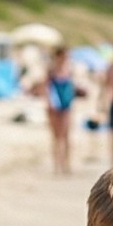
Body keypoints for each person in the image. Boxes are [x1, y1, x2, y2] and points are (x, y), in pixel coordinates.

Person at [43, 45, 79, 175]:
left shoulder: (69, 70)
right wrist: (49, 103)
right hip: (54, 106)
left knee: (67, 136)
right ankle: (57, 165)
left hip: (66, 105)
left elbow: (72, 88)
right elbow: (46, 88)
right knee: (56, 137)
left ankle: (66, 164)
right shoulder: (51, 71)